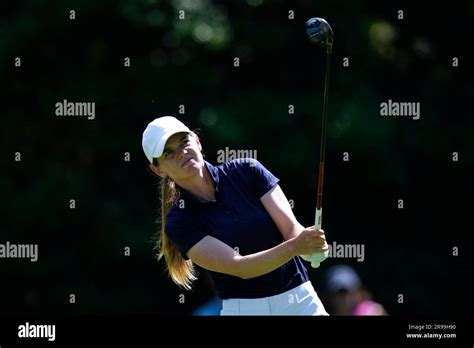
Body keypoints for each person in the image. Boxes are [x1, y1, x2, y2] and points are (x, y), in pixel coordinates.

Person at [142, 116, 330, 315]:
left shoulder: (247, 171)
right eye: (169, 153)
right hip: (244, 309)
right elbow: (240, 267)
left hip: (299, 300)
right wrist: (295, 246)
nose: (182, 154)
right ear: (158, 170)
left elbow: (292, 229)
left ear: (197, 141)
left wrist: (312, 247)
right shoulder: (179, 222)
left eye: (184, 143)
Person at [320, 264, 388, 316]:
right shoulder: (319, 313)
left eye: (351, 292)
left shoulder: (372, 311)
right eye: (341, 293)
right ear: (330, 296)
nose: (346, 298)